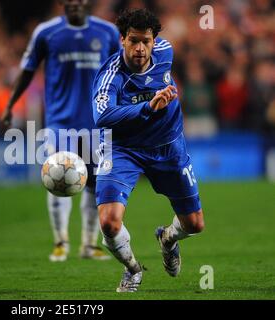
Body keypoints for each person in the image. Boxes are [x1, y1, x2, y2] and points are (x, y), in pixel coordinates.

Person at [92, 8, 205, 292]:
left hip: (168, 146)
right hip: (123, 149)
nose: (140, 48)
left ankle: (167, 238)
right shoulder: (111, 75)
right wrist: (147, 106)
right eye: (133, 41)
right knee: (108, 222)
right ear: (122, 40)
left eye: (146, 41)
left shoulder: (166, 51)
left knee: (194, 224)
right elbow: (102, 116)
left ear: (155, 41)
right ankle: (132, 269)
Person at [1, 0, 120, 262]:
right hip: (60, 123)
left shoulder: (108, 33)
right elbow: (28, 71)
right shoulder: (46, 32)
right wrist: (11, 104)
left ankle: (89, 245)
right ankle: (60, 242)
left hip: (98, 123)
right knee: (57, 179)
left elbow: (120, 73)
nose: (76, 3)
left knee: (94, 183)